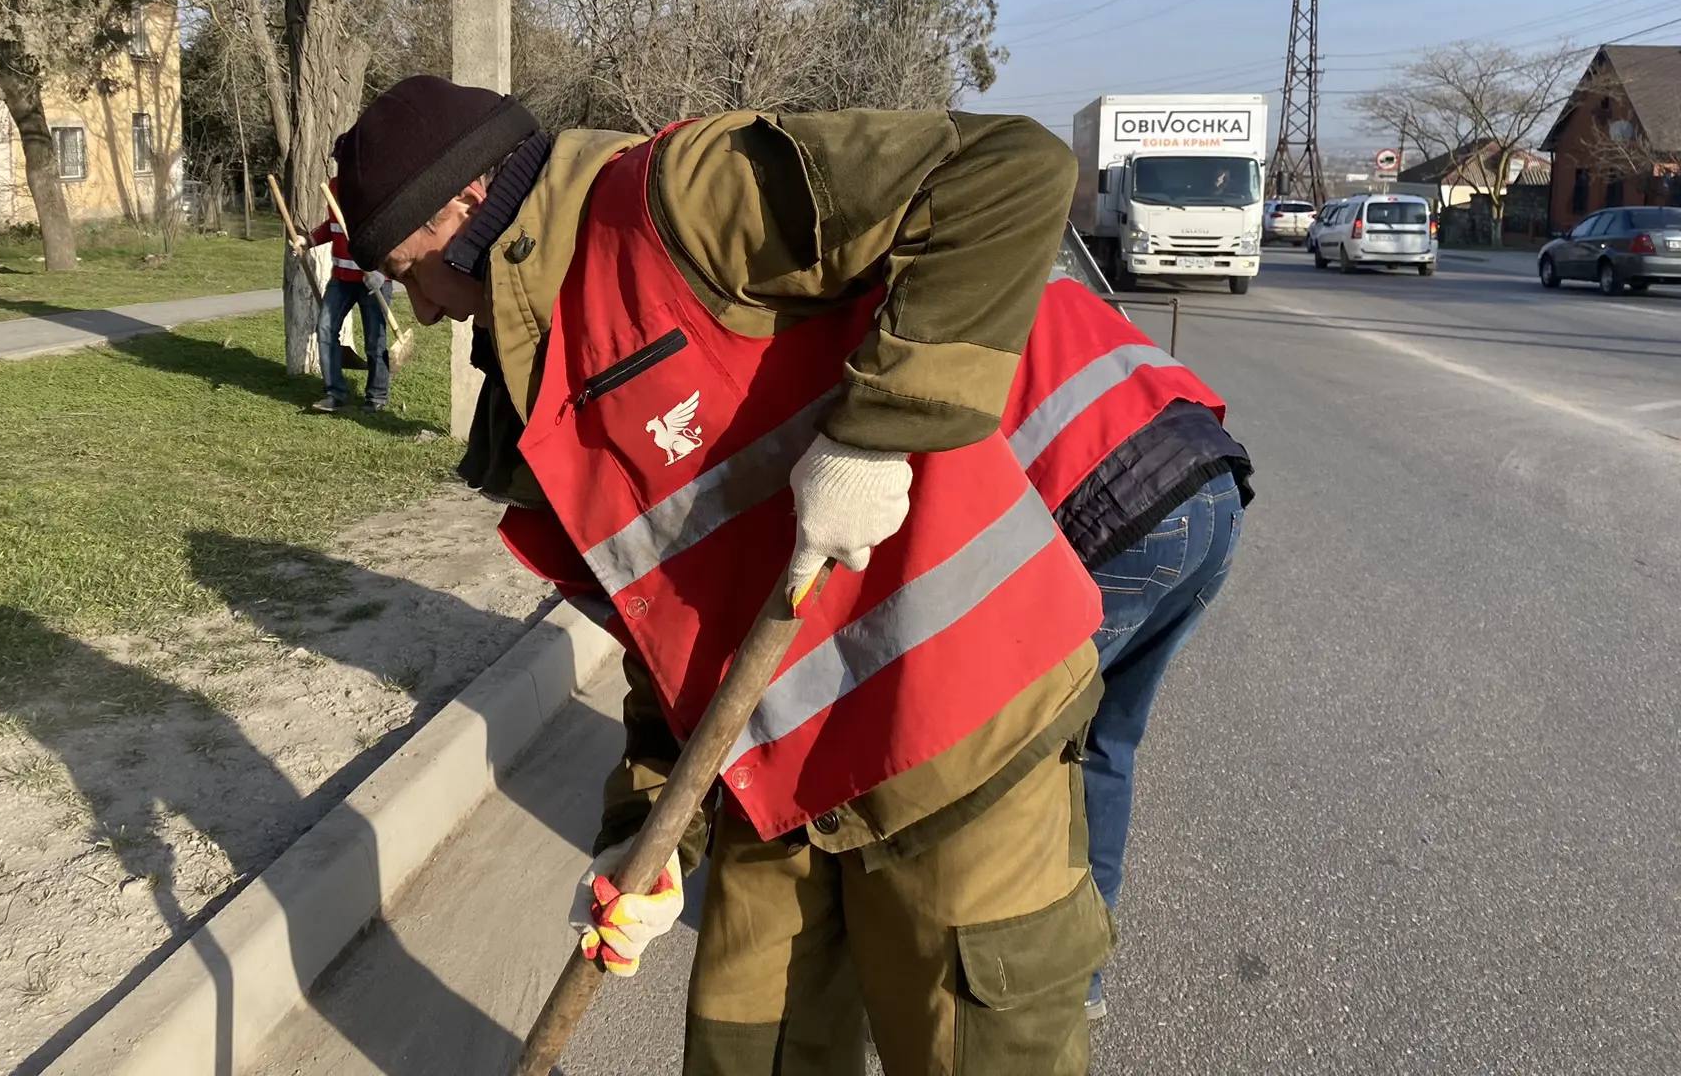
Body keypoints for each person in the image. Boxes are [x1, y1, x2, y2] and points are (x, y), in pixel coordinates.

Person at [332, 75, 1190, 1075]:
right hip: (771, 789)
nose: (425, 312)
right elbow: (671, 641)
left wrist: (877, 438)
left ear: (466, 209)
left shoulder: (676, 204)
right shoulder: (539, 408)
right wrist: (642, 838)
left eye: (411, 271)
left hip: (956, 745)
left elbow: (1008, 172)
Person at [1007, 277, 1254, 1023]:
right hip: (1212, 483)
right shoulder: (1044, 273)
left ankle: (1018, 983)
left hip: (1122, 504)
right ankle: (1082, 980)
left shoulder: (940, 301)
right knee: (1107, 741)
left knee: (1014, 751)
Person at [296, 176, 392, 413]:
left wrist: (381, 271)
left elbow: (391, 230)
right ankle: (334, 394)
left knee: (374, 340)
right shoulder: (335, 187)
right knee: (326, 330)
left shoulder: (377, 185)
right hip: (341, 278)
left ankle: (376, 397)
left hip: (373, 280)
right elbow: (333, 225)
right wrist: (308, 240)